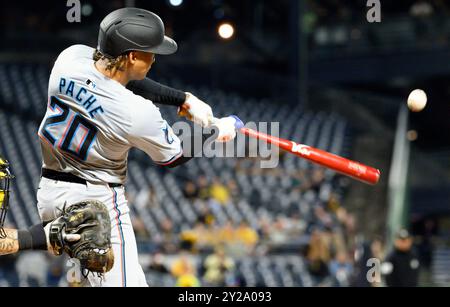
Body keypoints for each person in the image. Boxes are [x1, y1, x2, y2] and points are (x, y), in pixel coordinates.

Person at [36, 7, 241, 287]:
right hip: (97, 205)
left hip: (49, 195)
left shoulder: (69, 58)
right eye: (150, 52)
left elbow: (119, 79)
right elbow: (173, 156)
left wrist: (182, 99)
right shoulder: (136, 112)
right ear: (132, 55)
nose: (155, 58)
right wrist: (218, 130)